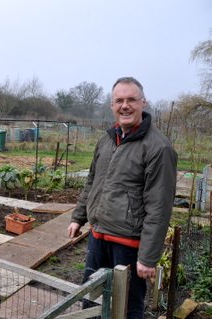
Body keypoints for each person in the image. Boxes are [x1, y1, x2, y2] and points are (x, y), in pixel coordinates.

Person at [67, 77, 177, 319]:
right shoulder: (106, 140)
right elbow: (93, 183)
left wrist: (148, 258)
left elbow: (159, 207)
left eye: (131, 100)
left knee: (127, 307)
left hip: (129, 244)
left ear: (143, 103)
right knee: (91, 298)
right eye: (119, 100)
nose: (125, 105)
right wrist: (78, 217)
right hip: (98, 236)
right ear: (112, 106)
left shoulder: (159, 148)